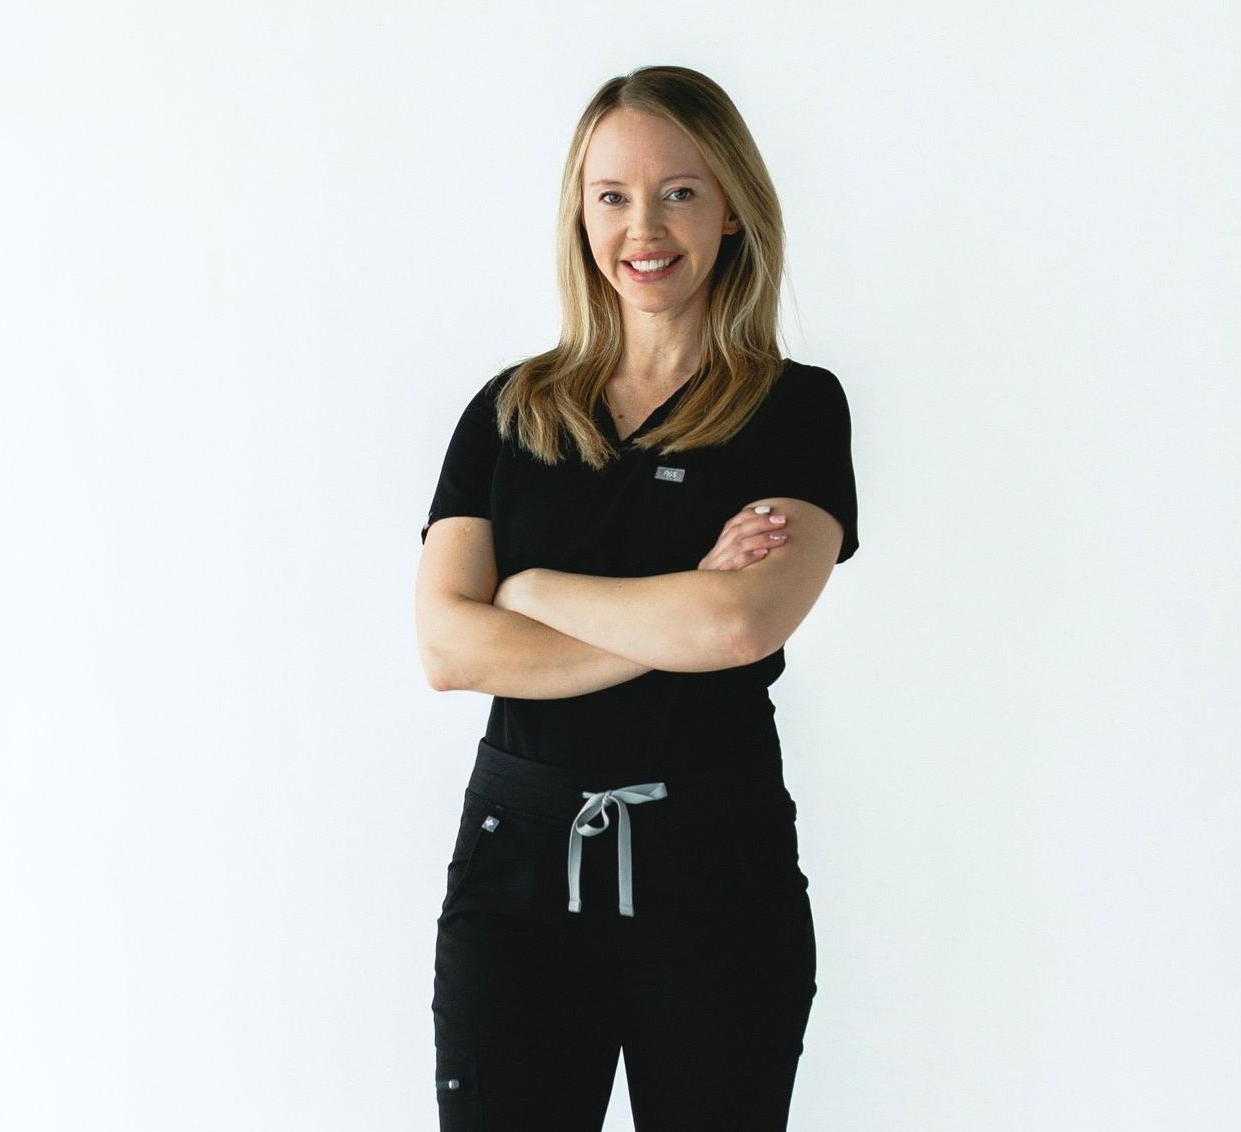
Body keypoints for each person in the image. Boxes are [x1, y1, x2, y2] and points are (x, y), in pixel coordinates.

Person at [413, 64, 860, 1131]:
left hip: (717, 874)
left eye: (680, 191)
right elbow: (449, 648)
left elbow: (741, 621)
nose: (643, 226)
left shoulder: (793, 410)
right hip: (515, 880)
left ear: (734, 211)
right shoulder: (509, 414)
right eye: (612, 194)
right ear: (580, 213)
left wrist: (533, 590)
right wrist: (675, 617)